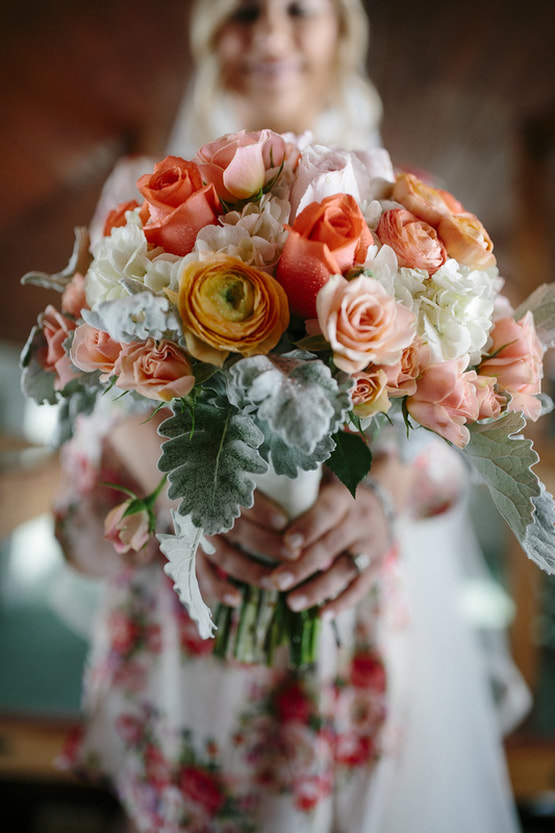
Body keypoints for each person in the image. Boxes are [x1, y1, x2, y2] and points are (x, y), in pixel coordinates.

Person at [54, 2, 527, 831]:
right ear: (210, 36)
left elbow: (459, 410)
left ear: (341, 35)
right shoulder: (140, 196)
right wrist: (175, 493)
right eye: (242, 12)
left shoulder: (401, 207)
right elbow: (92, 387)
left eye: (298, 10)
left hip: (341, 592)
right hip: (187, 583)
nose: (269, 33)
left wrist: (378, 492)